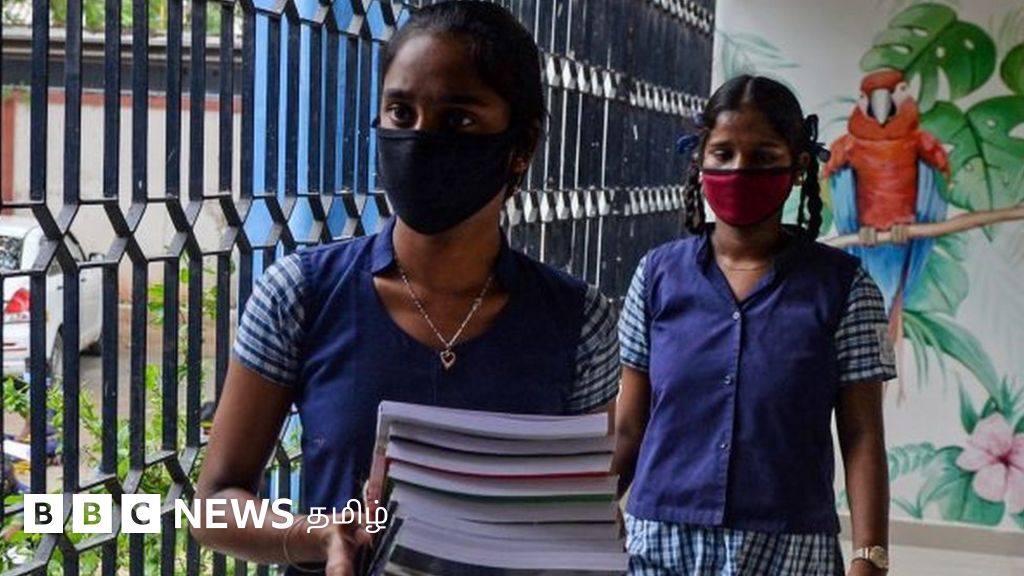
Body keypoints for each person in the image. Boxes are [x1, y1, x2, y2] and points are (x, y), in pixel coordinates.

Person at [192, 3, 619, 575]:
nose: (420, 139)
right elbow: (214, 507)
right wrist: (320, 536)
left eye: (458, 120)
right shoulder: (301, 294)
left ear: (522, 144)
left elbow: (580, 523)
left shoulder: (578, 323)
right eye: (401, 112)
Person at [612, 75, 894, 576]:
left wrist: (869, 558)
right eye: (723, 153)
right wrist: (581, 517)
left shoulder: (845, 287)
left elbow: (862, 436)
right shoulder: (656, 276)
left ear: (798, 167)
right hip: (658, 544)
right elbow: (629, 425)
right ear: (700, 161)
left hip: (789, 550)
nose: (739, 169)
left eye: (763, 156)